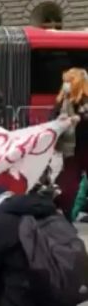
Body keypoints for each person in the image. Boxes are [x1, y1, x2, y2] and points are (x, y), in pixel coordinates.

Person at [53, 68, 88, 220]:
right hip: (75, 148)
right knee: (70, 180)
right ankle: (66, 211)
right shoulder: (64, 101)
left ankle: (66, 209)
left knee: (69, 179)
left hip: (76, 148)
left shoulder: (77, 100)